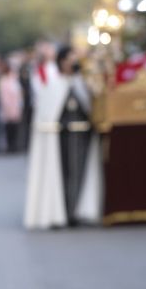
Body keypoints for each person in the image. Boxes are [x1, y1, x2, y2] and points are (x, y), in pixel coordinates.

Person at [24, 46, 103, 229]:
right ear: (62, 61)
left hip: (82, 135)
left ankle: (76, 210)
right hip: (61, 137)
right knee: (64, 173)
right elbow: (47, 112)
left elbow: (90, 105)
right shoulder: (53, 84)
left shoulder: (80, 82)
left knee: (78, 173)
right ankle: (62, 212)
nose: (73, 62)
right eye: (70, 59)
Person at [0, 60, 24, 154]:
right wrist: (8, 108)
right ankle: (9, 146)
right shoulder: (3, 81)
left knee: (15, 128)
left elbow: (19, 93)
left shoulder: (14, 79)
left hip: (16, 106)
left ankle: (14, 145)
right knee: (8, 128)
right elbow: (4, 97)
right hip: (8, 108)